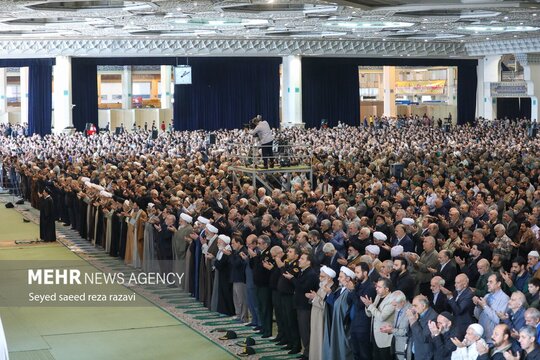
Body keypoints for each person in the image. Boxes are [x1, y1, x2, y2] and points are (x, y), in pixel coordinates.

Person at [307, 265, 336, 360]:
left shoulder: (332, 288)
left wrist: (315, 298)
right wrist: (313, 297)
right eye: (320, 276)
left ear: (329, 278)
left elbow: (327, 306)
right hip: (316, 317)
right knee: (315, 339)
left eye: (322, 277)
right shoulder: (322, 286)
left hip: (323, 319)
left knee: (320, 340)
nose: (320, 278)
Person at [365, 277, 396, 359]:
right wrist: (367, 306)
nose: (376, 289)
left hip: (385, 339)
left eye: (379, 287)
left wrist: (370, 306)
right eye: (376, 286)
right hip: (375, 336)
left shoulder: (392, 300)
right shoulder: (378, 296)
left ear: (387, 289)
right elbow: (370, 314)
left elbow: (382, 317)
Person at [407, 294, 438, 360]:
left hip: (425, 356)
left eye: (415, 306)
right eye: (412, 306)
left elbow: (423, 338)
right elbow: (410, 333)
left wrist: (412, 320)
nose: (413, 308)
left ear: (423, 306)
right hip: (416, 352)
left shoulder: (433, 317)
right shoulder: (419, 314)